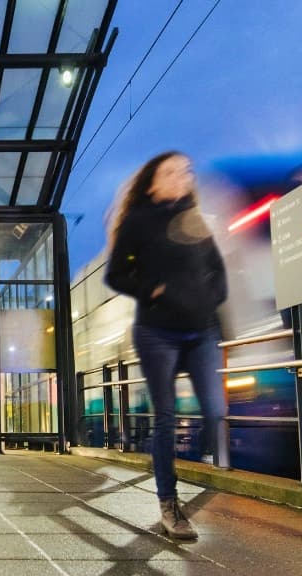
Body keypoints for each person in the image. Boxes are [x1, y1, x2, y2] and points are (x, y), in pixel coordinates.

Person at [102, 151, 228, 541]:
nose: (181, 176)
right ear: (153, 182)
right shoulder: (138, 222)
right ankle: (169, 504)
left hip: (201, 331)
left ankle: (204, 459)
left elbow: (218, 271)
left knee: (216, 410)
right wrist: (152, 291)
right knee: (166, 418)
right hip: (158, 333)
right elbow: (116, 274)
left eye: (186, 170)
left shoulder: (194, 219)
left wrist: (209, 300)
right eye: (170, 171)